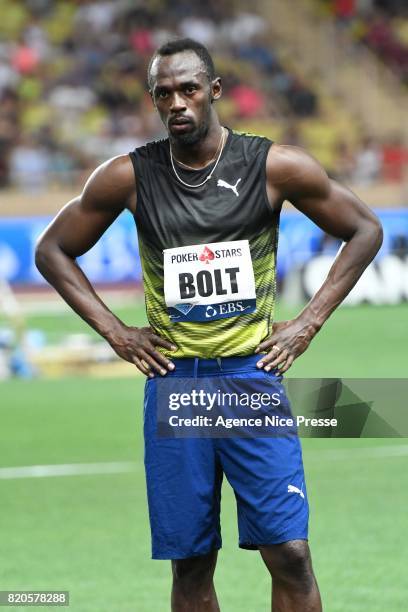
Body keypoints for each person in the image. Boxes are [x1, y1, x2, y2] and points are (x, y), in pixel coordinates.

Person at [35, 38, 383, 612]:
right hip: (177, 385)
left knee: (290, 553)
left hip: (253, 379)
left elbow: (365, 229)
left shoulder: (275, 166)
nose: (178, 103)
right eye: (164, 93)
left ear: (214, 91)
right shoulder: (128, 177)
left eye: (189, 89)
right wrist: (116, 333)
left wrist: (307, 323)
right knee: (191, 562)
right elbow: (52, 250)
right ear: (153, 99)